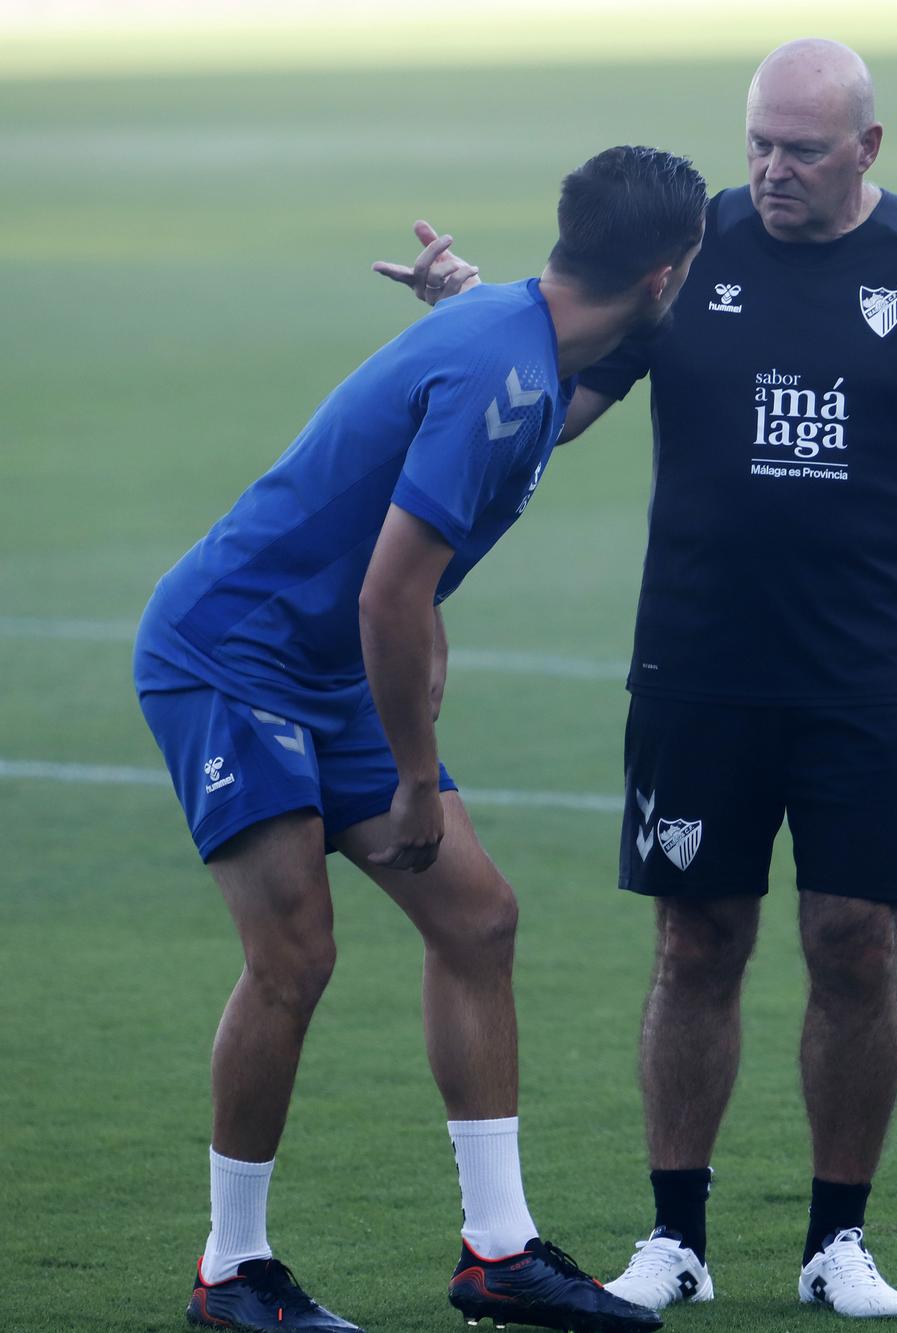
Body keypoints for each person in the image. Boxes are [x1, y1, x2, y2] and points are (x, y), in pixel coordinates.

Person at [373, 38, 897, 1320]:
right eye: (756, 142)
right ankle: (676, 1235)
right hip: (697, 665)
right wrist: (478, 315)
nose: (768, 170)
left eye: (801, 150)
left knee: (855, 944)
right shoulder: (689, 249)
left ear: (867, 150)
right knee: (695, 938)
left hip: (867, 675)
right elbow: (561, 385)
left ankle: (837, 1241)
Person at [136, 146, 707, 1333]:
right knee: (295, 954)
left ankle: (497, 1254)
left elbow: (507, 407)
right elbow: (392, 596)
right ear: (662, 274)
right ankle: (230, 1272)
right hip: (231, 653)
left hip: (326, 663)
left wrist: (462, 297)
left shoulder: (519, 338)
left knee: (477, 919)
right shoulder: (507, 369)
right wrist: (412, 781)